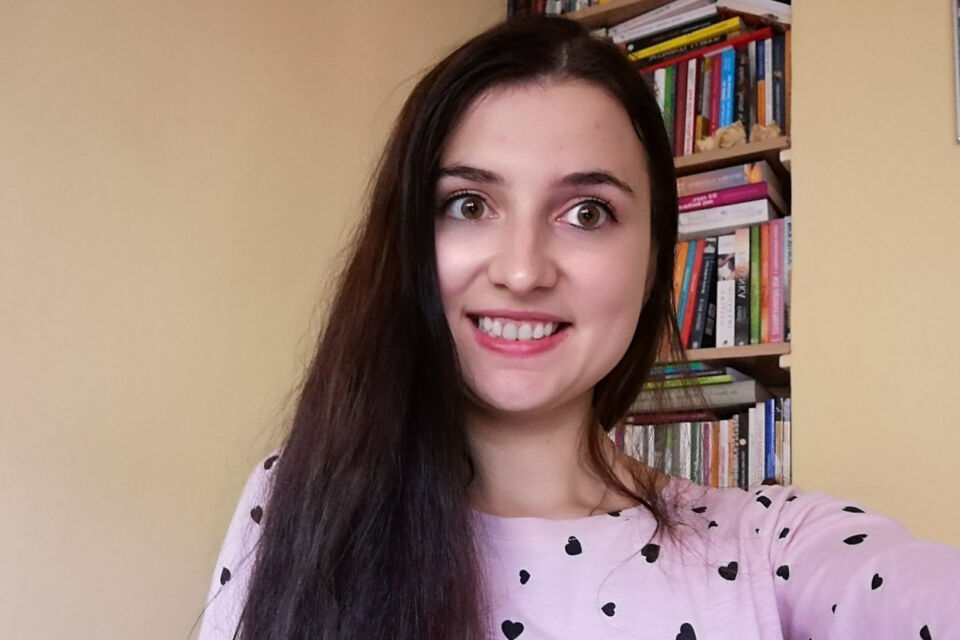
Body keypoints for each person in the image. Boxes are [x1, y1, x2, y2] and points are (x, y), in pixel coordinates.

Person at [195, 15, 960, 640]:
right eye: (469, 204)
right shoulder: (299, 499)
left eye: (587, 213)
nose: (522, 270)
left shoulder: (770, 547)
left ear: (655, 259)